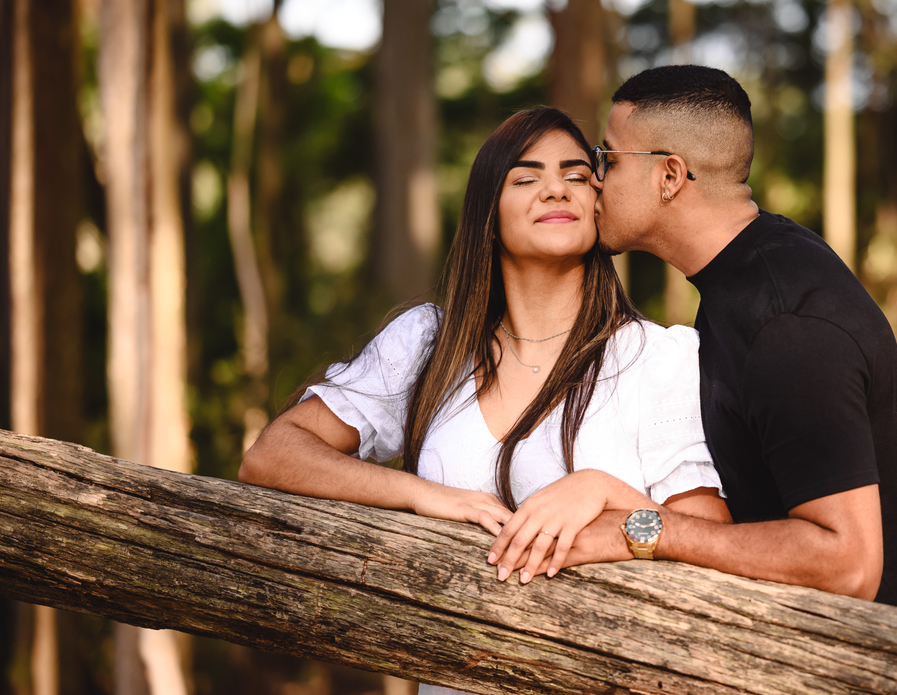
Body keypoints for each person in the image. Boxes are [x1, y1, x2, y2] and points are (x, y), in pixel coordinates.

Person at [239, 106, 730, 693]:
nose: (556, 187)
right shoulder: (428, 343)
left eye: (577, 174)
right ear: (488, 217)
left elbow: (706, 537)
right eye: (525, 178)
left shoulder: (658, 356)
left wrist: (602, 489)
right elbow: (270, 457)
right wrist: (424, 495)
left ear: (599, 206)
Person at [488, 66, 897, 616]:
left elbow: (846, 561)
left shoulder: (784, 321)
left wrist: (640, 531)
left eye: (607, 160)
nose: (593, 180)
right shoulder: (749, 281)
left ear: (669, 175)